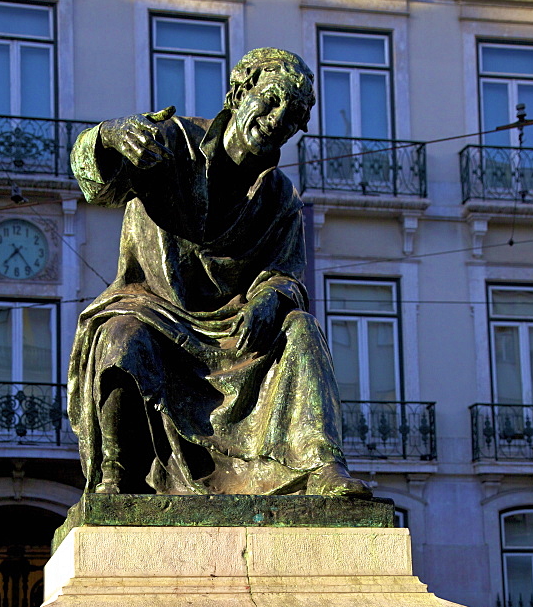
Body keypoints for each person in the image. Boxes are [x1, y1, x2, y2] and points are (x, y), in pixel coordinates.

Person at [68, 47, 371, 498]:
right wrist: (108, 137)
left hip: (233, 332)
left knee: (301, 329)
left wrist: (272, 296)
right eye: (271, 100)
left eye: (293, 116)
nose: (277, 120)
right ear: (239, 92)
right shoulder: (171, 142)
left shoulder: (281, 199)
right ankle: (118, 476)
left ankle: (322, 464)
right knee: (120, 337)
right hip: (157, 315)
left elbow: (286, 274)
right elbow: (96, 186)